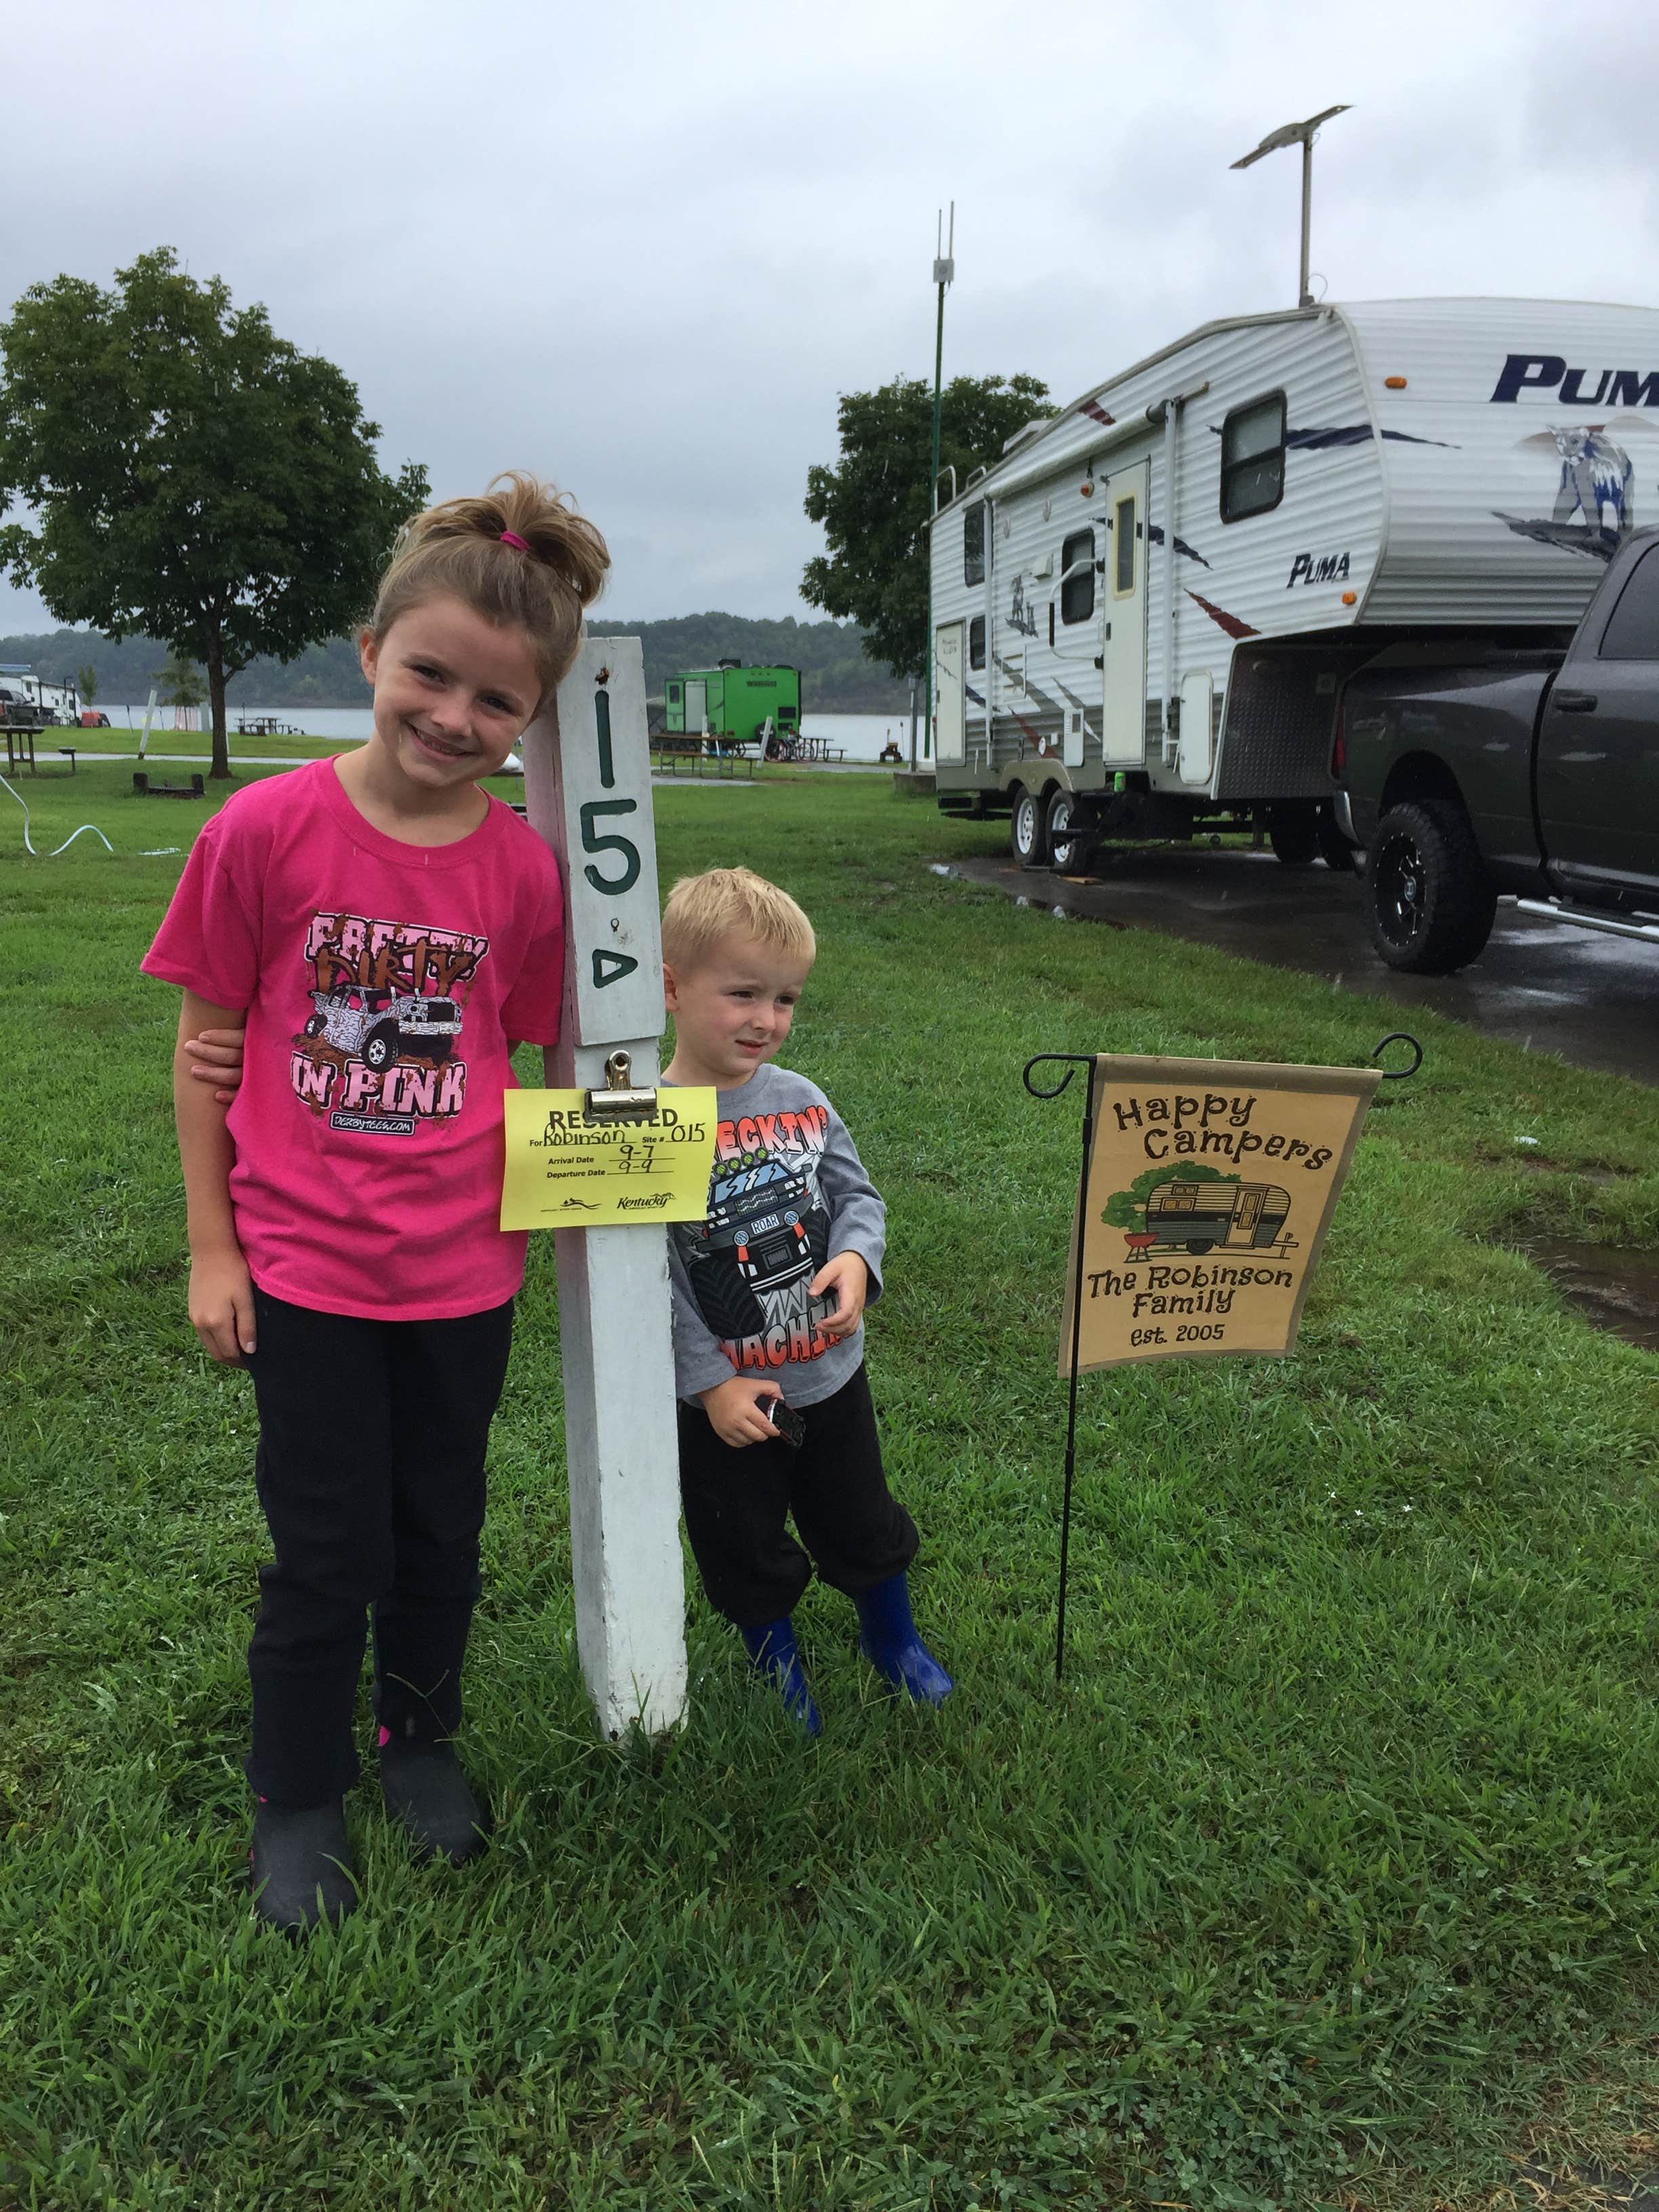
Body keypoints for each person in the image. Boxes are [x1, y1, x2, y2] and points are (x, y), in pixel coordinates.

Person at [143, 473, 608, 1932]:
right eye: (429, 674)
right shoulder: (262, 831)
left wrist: (592, 1181)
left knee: (438, 1529)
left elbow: (532, 1057)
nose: (455, 717)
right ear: (369, 651)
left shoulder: (522, 872)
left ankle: (419, 1738)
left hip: (464, 1273)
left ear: (530, 719)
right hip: (304, 1270)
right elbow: (204, 1049)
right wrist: (213, 1247)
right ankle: (298, 1787)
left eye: (497, 701)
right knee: (324, 1546)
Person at [661, 867, 951, 1733]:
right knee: (741, 1539)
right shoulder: (647, 1121)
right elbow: (653, 1275)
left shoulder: (801, 1101)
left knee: (861, 1517)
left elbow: (857, 1197)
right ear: (671, 988)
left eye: (785, 999)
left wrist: (858, 1258)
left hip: (828, 1376)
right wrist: (710, 1381)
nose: (767, 1019)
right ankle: (776, 1665)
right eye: (743, 993)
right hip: (727, 1400)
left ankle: (892, 1637)